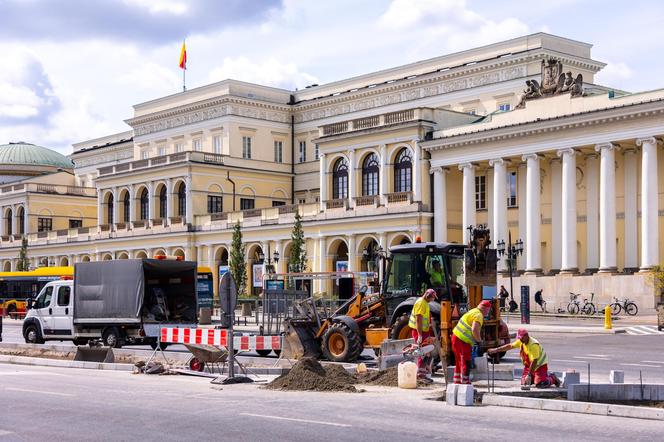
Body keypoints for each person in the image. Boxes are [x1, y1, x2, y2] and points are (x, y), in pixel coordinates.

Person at [488, 329, 560, 388]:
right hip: (529, 366)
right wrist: (496, 350)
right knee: (524, 383)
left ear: (526, 336)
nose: (520, 340)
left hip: (539, 366)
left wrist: (529, 375)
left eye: (521, 338)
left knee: (540, 384)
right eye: (519, 338)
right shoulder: (521, 341)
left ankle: (552, 378)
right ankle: (536, 377)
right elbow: (510, 346)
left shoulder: (533, 345)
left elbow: (534, 361)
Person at [451, 300, 492, 384]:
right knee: (466, 360)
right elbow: (475, 330)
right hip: (463, 340)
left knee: (458, 360)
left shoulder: (473, 311)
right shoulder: (478, 315)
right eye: (488, 310)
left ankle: (457, 381)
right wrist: (479, 341)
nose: (487, 313)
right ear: (485, 309)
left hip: (456, 337)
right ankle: (465, 381)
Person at [408, 288, 436, 382]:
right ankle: (420, 375)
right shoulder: (421, 303)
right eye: (432, 298)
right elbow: (418, 320)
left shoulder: (425, 303)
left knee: (426, 351)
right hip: (419, 331)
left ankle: (424, 372)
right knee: (422, 351)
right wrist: (419, 335)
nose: (433, 300)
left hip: (424, 331)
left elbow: (424, 319)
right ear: (428, 296)